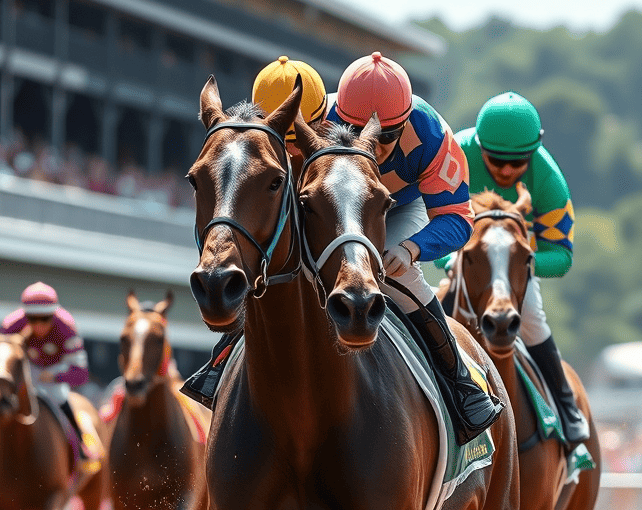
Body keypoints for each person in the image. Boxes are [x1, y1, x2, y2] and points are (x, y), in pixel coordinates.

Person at [326, 51, 503, 444]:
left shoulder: (433, 135)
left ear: (405, 122)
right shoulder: (319, 118)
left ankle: (461, 382)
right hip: (342, 205)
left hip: (401, 208)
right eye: (357, 133)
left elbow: (458, 218)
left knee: (395, 271)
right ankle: (225, 357)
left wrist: (410, 249)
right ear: (340, 118)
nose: (373, 146)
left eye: (385, 137)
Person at [182, 56, 330, 408]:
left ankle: (460, 386)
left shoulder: (341, 126)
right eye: (286, 141)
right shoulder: (254, 143)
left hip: (388, 205)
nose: (293, 151)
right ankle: (220, 363)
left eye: (299, 141)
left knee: (400, 282)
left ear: (321, 123)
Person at [444, 91, 590, 444]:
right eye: (495, 160)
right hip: (466, 258)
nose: (507, 170)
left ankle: (565, 403)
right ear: (480, 149)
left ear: (534, 153)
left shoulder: (549, 179)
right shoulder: (456, 157)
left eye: (518, 162)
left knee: (533, 318)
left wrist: (513, 262)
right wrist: (455, 258)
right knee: (431, 307)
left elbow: (562, 256)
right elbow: (429, 218)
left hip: (515, 267)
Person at [0, 282, 102, 476]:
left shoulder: (67, 328)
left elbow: (81, 374)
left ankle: (81, 446)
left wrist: (56, 375)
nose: (38, 325)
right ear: (24, 315)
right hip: (26, 366)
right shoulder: (10, 325)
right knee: (4, 400)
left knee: (61, 397)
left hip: (56, 370)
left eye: (45, 319)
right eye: (32, 319)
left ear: (54, 314)